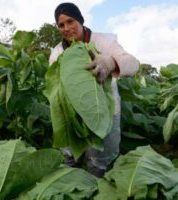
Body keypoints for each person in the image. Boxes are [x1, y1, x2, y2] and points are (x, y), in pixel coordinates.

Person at [49, 2, 139, 177]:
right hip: (71, 114)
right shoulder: (58, 53)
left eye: (71, 21)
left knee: (100, 162)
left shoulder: (103, 41)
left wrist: (111, 62)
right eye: (61, 25)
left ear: (81, 21)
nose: (67, 28)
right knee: (69, 158)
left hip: (104, 110)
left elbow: (133, 64)